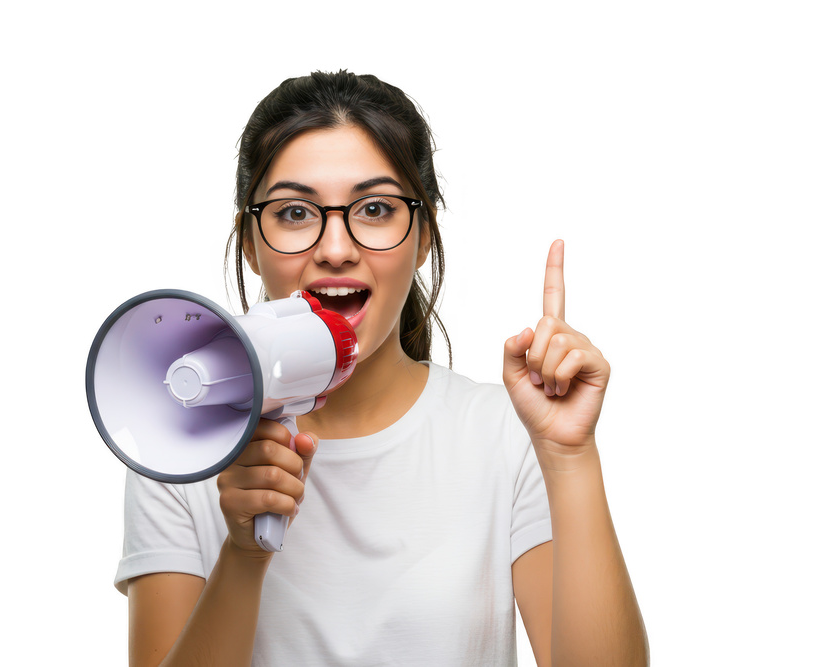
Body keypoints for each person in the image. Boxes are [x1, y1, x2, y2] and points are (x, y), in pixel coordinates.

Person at [116, 71, 649, 666]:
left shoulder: (506, 435)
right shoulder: (178, 446)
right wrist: (243, 556)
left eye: (374, 209)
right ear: (250, 242)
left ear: (423, 239)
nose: (335, 248)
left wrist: (569, 457)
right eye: (295, 212)